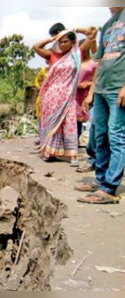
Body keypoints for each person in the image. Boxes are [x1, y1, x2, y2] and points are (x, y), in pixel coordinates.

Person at [77, 7, 125, 205]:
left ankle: (109, 188)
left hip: (118, 90)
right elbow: (100, 61)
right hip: (102, 89)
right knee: (100, 135)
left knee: (116, 136)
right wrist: (91, 92)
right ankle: (101, 179)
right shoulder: (108, 24)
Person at [34, 29, 98, 167]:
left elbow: (92, 36)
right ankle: (49, 152)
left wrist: (77, 30)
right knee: (51, 123)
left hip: (68, 95)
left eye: (65, 41)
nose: (62, 44)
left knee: (69, 123)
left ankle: (72, 155)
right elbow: (36, 47)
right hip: (51, 95)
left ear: (72, 42)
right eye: (60, 42)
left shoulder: (76, 54)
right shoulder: (53, 55)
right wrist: (53, 38)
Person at [76, 39, 99, 139]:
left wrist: (88, 84)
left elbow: (98, 79)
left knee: (84, 118)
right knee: (72, 119)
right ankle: (73, 141)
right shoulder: (75, 62)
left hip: (86, 94)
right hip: (74, 94)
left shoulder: (94, 63)